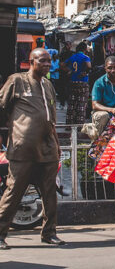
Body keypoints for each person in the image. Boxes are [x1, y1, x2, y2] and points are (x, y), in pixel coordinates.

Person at [0, 48, 65, 249]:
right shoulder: (17, 80)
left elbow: (50, 118)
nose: (47, 64)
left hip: (47, 147)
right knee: (14, 191)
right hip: (23, 146)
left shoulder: (48, 85)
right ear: (31, 62)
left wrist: (56, 143)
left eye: (49, 61)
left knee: (49, 193)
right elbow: (2, 106)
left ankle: (49, 232)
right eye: (43, 61)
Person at [64, 42, 91, 125]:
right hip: (82, 82)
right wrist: (85, 72)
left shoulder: (72, 57)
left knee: (72, 103)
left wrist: (69, 71)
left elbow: (62, 65)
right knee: (81, 104)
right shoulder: (85, 57)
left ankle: (69, 124)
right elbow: (89, 66)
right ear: (84, 49)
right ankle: (79, 125)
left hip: (72, 81)